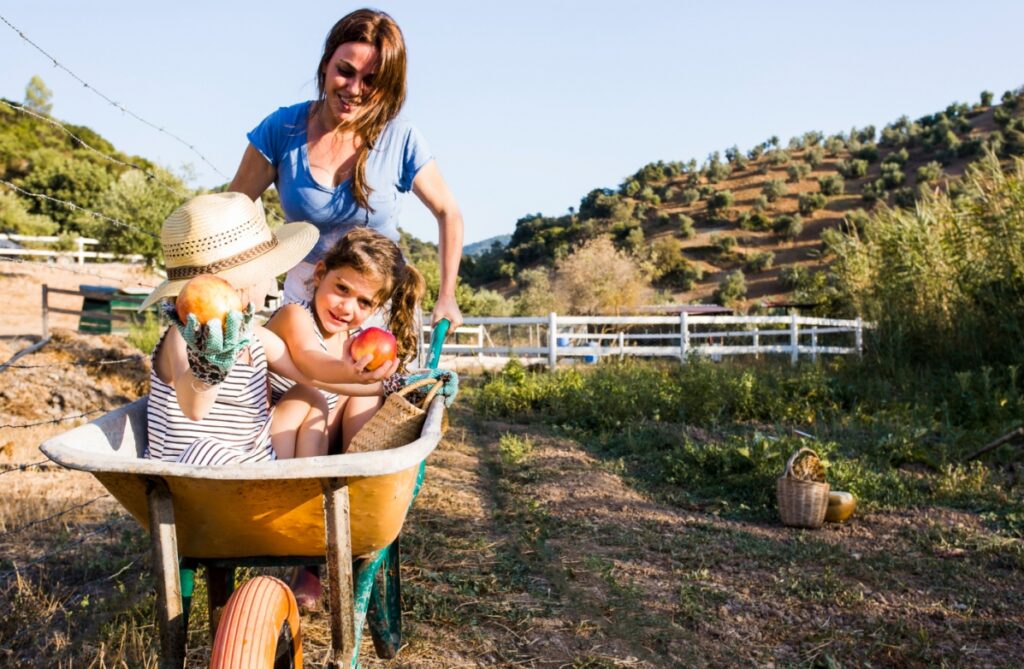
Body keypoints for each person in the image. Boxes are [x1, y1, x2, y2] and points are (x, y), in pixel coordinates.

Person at [229, 7, 464, 334]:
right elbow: (230, 214)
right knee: (300, 385)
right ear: (326, 65)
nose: (354, 89)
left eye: (370, 80)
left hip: (375, 298)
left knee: (371, 384)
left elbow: (448, 212)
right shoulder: (282, 128)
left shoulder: (400, 137)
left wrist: (447, 296)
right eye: (345, 71)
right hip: (305, 293)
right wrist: (230, 283)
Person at [140, 192, 399, 465]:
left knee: (307, 396)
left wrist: (392, 384)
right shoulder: (181, 337)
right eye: (268, 270)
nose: (274, 281)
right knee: (206, 451)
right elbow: (193, 408)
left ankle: (303, 490)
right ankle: (278, 494)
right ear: (243, 282)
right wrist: (207, 369)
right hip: (194, 465)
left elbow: (313, 376)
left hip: (253, 460)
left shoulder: (253, 335)